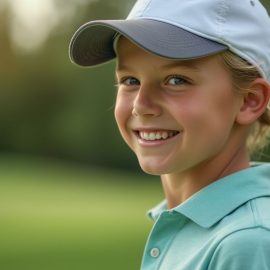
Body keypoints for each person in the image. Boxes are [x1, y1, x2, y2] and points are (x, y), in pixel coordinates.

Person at [69, 0, 270, 269]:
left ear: (249, 100)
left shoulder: (247, 242)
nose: (141, 105)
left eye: (176, 80)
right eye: (131, 80)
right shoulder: (184, 221)